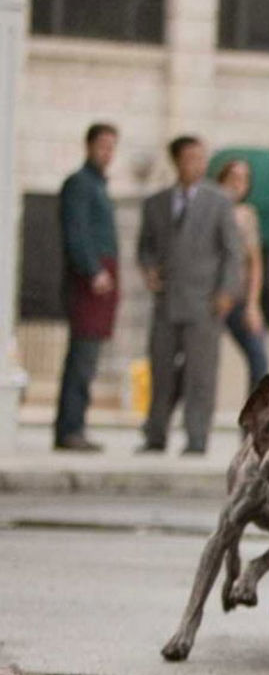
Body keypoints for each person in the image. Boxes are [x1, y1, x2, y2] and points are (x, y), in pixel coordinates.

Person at [137, 135, 242, 456]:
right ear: (177, 161)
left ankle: (197, 439)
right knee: (161, 371)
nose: (197, 164)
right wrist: (149, 268)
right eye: (190, 158)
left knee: (200, 375)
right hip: (166, 301)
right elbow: (145, 247)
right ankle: (156, 435)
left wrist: (226, 292)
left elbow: (232, 252)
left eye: (201, 157)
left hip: (205, 302)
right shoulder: (155, 203)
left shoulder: (219, 201)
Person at [54, 122, 122, 453]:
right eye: (103, 146)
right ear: (89, 145)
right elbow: (76, 232)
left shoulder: (99, 185)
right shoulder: (79, 184)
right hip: (88, 284)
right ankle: (70, 428)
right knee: (82, 358)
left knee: (88, 358)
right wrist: (94, 270)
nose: (108, 153)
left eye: (112, 147)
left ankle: (74, 426)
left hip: (101, 283)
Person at [214, 157, 269, 385]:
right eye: (233, 178)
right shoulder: (209, 211)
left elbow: (254, 262)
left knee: (259, 358)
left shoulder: (247, 216)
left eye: (244, 179)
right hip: (212, 297)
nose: (238, 184)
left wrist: (252, 305)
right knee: (196, 359)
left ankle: (254, 416)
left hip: (239, 298)